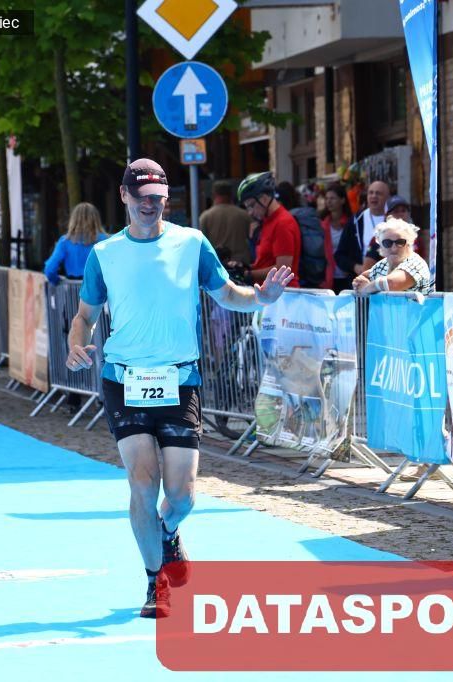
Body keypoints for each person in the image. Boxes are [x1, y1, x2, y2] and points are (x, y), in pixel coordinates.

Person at [66, 159, 293, 619]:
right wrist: (76, 344)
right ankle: (156, 582)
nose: (150, 206)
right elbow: (85, 316)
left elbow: (227, 294)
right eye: (142, 198)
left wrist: (261, 298)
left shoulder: (191, 243)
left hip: (179, 380)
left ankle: (168, 532)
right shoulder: (105, 254)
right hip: (124, 379)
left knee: (183, 495)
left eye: (158, 199)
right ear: (125, 196)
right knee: (142, 481)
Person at [238, 172, 301, 287]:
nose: (250, 212)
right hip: (269, 292)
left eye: (251, 205)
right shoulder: (267, 221)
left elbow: (283, 269)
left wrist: (248, 274)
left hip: (283, 293)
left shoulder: (283, 223)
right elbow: (265, 262)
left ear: (264, 199)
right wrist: (244, 268)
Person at [351, 218, 433, 296]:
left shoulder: (416, 263)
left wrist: (366, 288)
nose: (394, 248)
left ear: (409, 243)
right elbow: (362, 277)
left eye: (400, 242)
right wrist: (359, 283)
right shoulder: (383, 264)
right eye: (387, 243)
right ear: (381, 245)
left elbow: (391, 283)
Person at [43, 202, 108, 285]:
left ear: (73, 220)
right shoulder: (106, 240)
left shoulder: (65, 241)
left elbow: (49, 269)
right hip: (98, 288)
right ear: (96, 219)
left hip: (72, 289)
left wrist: (56, 281)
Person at [199, 180, 252, 275]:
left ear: (214, 195)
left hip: (216, 267)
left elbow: (202, 245)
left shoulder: (205, 217)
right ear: (231, 195)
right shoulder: (245, 215)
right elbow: (253, 241)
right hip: (241, 267)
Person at [323, 182, 360, 292]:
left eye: (332, 198)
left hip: (348, 275)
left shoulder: (352, 223)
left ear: (342, 200)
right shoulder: (323, 224)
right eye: (327, 198)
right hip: (328, 276)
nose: (329, 201)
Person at [353, 180, 390, 274]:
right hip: (363, 274)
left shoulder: (394, 218)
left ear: (387, 197)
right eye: (371, 193)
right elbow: (341, 254)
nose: (374, 196)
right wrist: (355, 267)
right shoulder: (357, 220)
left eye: (378, 193)